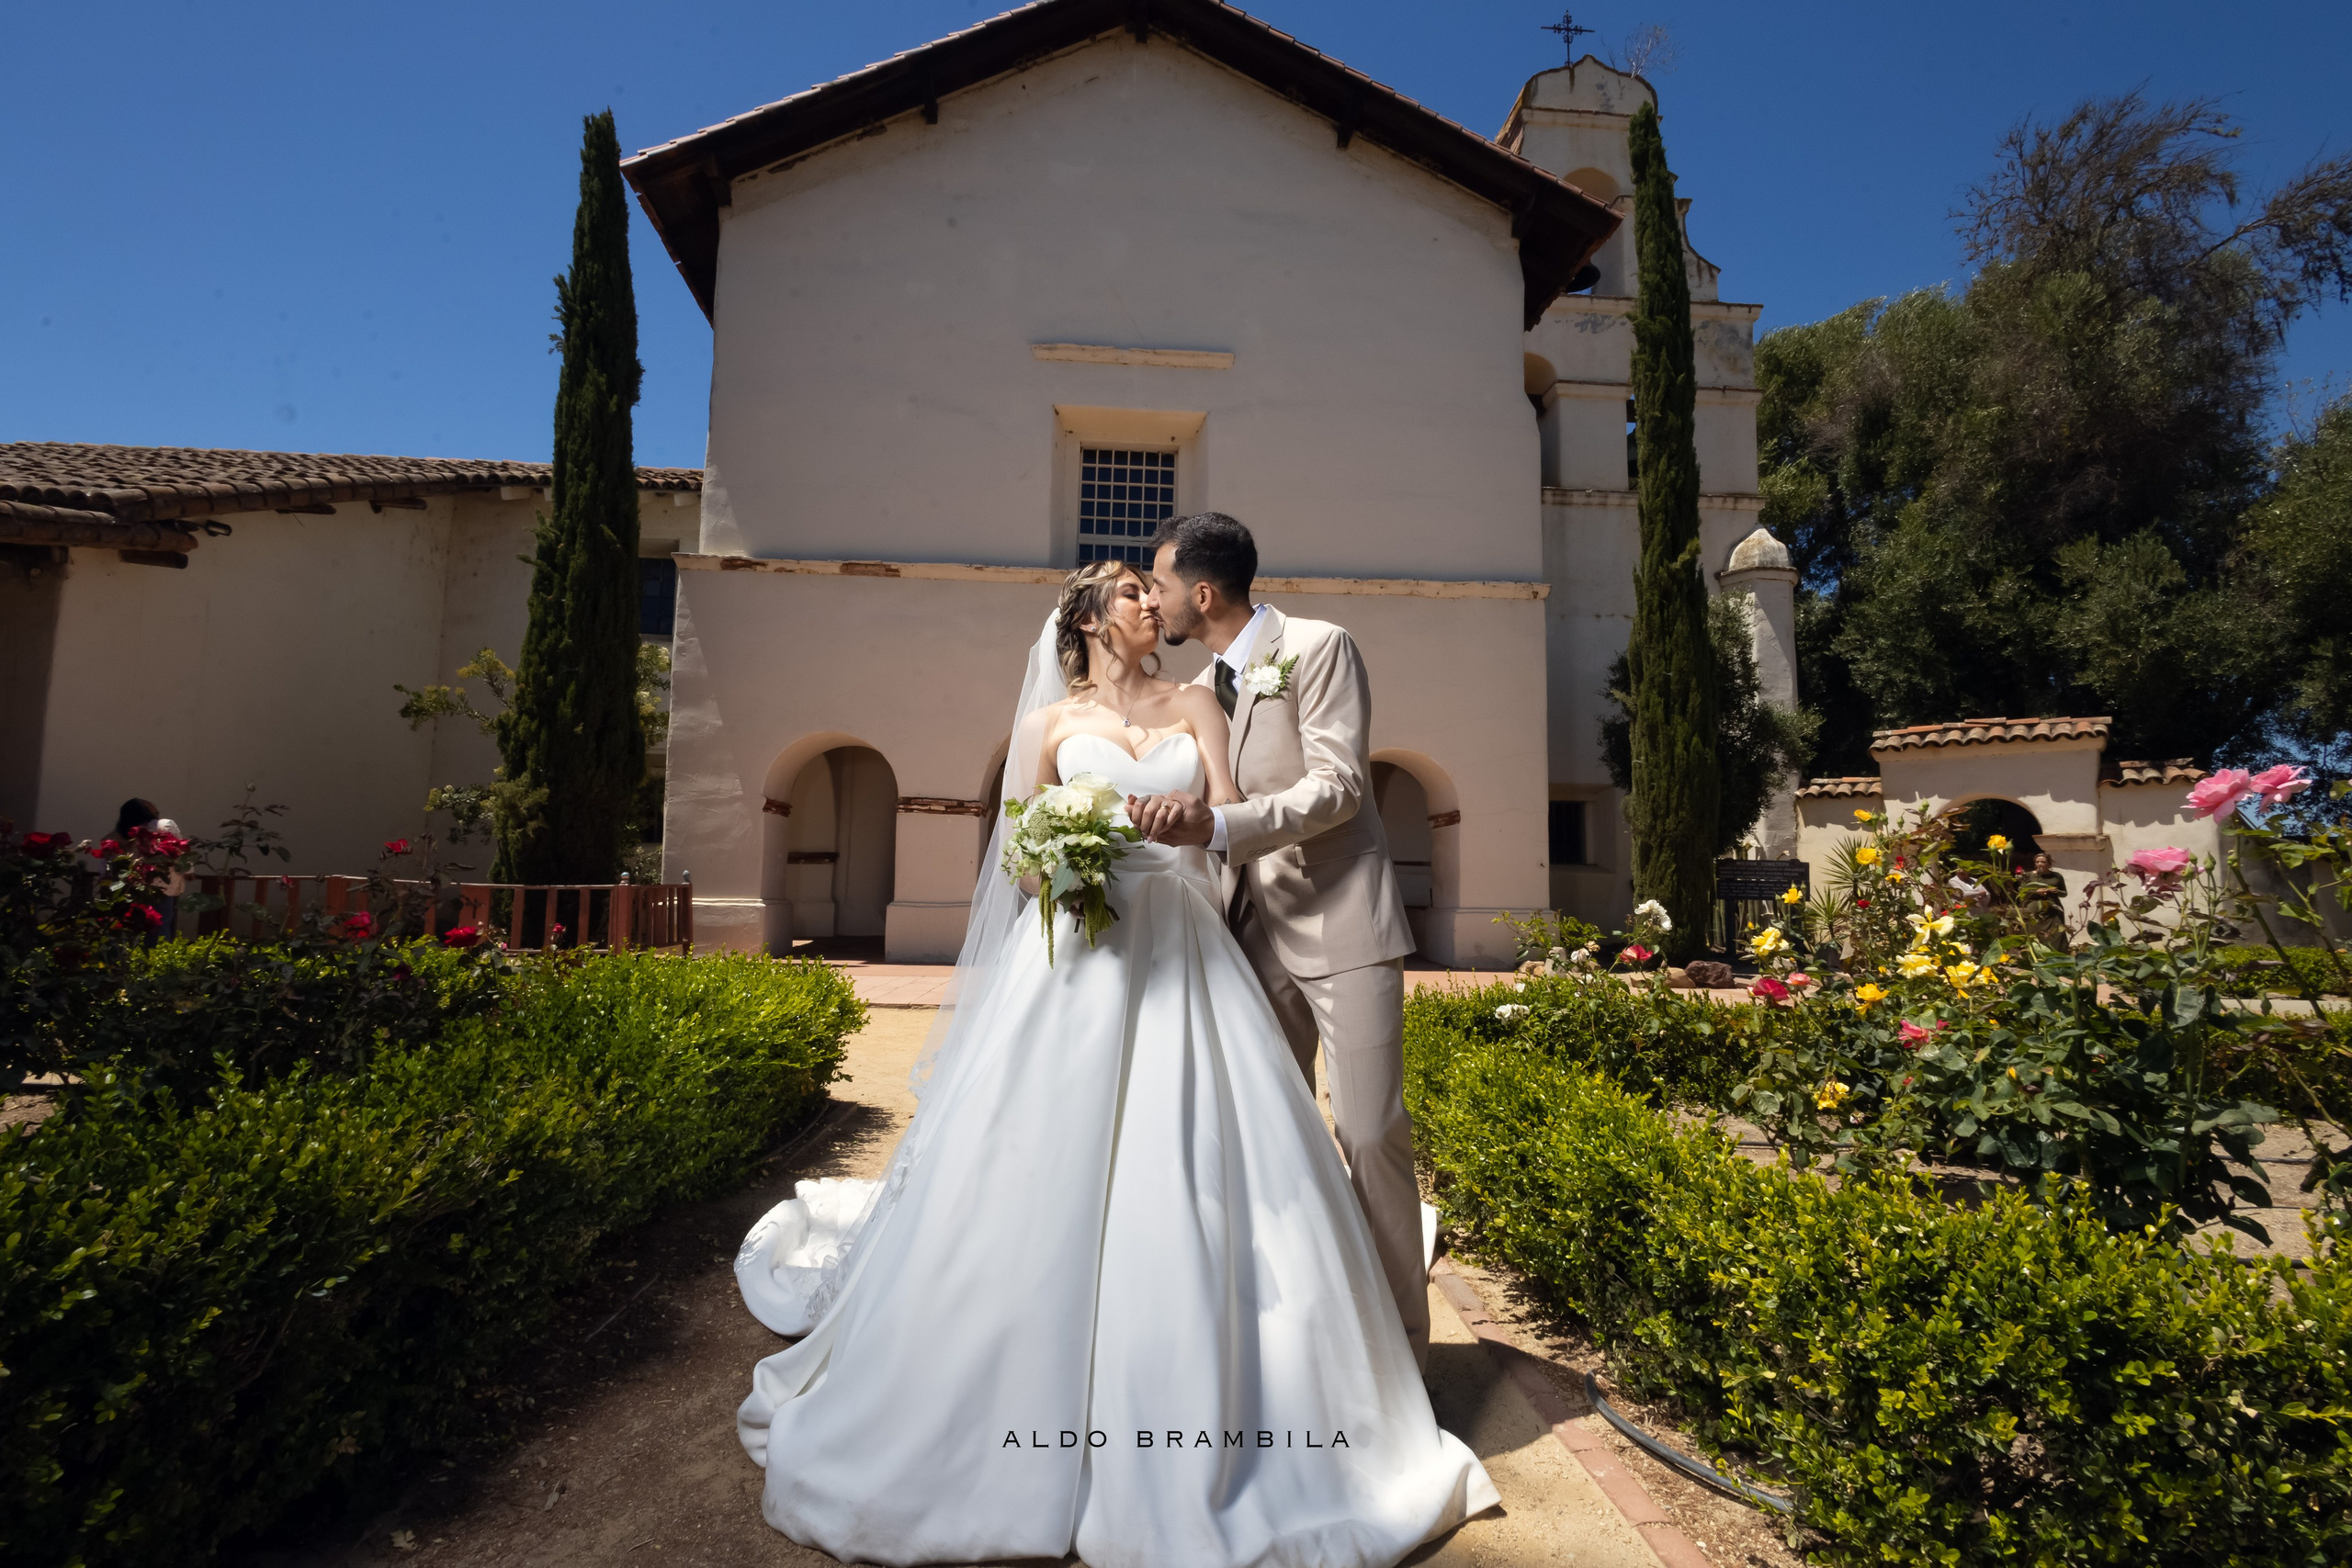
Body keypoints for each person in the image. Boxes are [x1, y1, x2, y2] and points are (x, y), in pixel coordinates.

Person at [731, 558, 1496, 1567]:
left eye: (1154, 587)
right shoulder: (1048, 728)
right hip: (1076, 954)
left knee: (1209, 1159)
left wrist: (1191, 837)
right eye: (1130, 593)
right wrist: (1059, 857)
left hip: (1183, 943)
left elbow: (1226, 830)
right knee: (1040, 1157)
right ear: (1088, 621)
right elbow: (1015, 851)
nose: (1150, 603)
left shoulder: (1200, 706)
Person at [1127, 513, 1428, 1369]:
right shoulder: (1201, 688)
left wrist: (1218, 825)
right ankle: (1299, 1343)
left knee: (1369, 1131)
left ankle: (1402, 1354)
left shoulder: (1320, 645)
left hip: (1341, 920)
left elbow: (1336, 786)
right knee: (1264, 1135)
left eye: (1160, 583)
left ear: (1204, 591)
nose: (1155, 597)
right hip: (1245, 938)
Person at [114, 796, 185, 943]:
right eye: (155, 811)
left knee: (129, 925)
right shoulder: (164, 824)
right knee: (160, 923)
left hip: (130, 884)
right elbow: (180, 850)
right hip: (159, 882)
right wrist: (188, 870)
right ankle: (157, 960)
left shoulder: (121, 832)